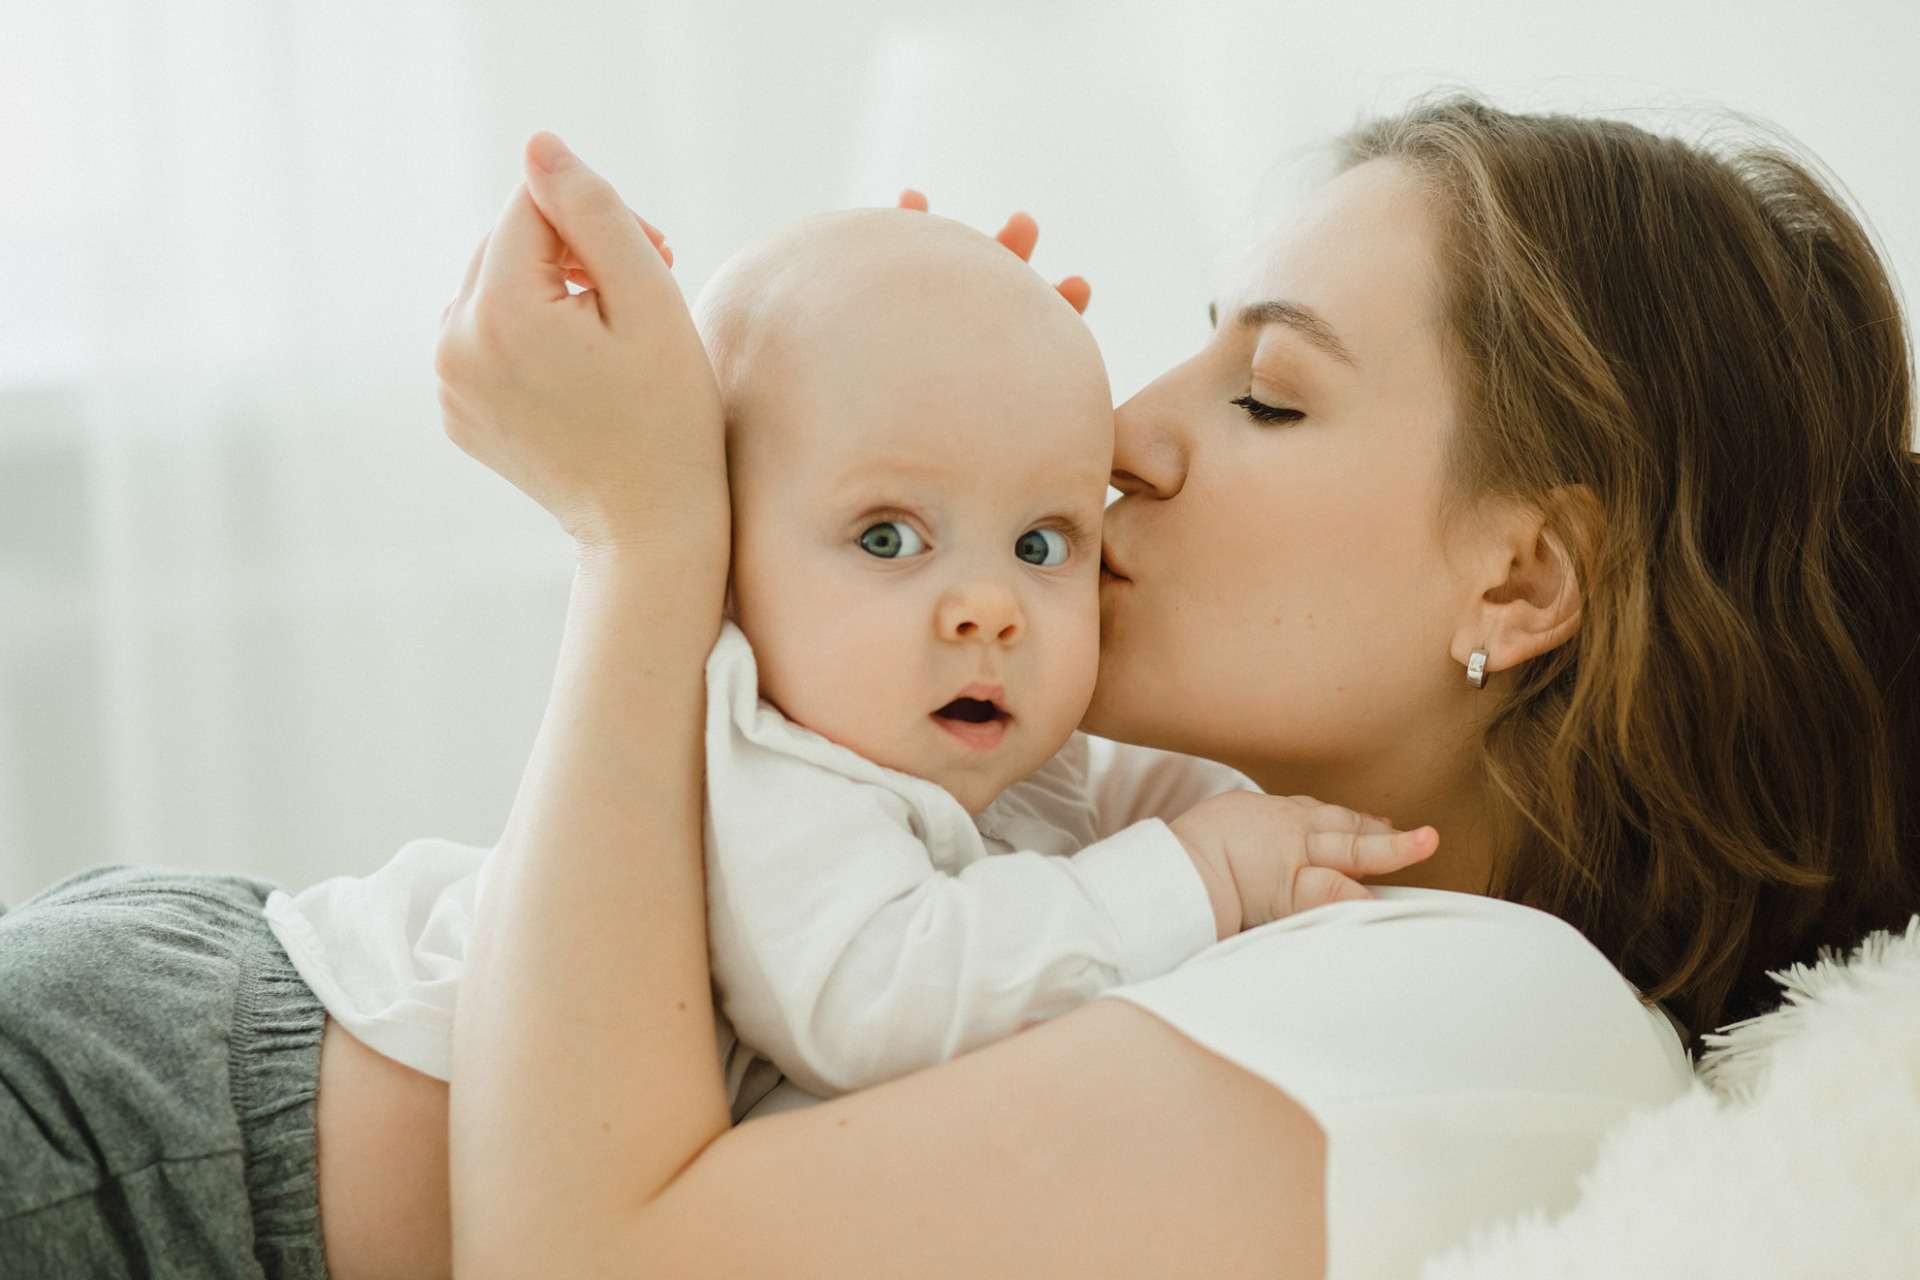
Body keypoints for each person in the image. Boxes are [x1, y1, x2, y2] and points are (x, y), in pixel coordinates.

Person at [0, 96, 1914, 1280]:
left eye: (1267, 393)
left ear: (1524, 576)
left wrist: (646, 545)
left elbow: (590, 1259)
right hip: (159, 1064)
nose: (1128, 442)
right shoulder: (1175, 809)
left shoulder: (1501, 1012)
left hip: (151, 1163)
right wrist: (851, 444)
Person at [260, 206, 1437, 1111]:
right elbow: (868, 997)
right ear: (724, 560)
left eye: (1040, 541)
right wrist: (1211, 875)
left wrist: (1259, 822)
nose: (988, 606)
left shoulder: (967, 733)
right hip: (203, 1103)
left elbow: (1108, 806)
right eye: (888, 536)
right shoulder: (784, 760)